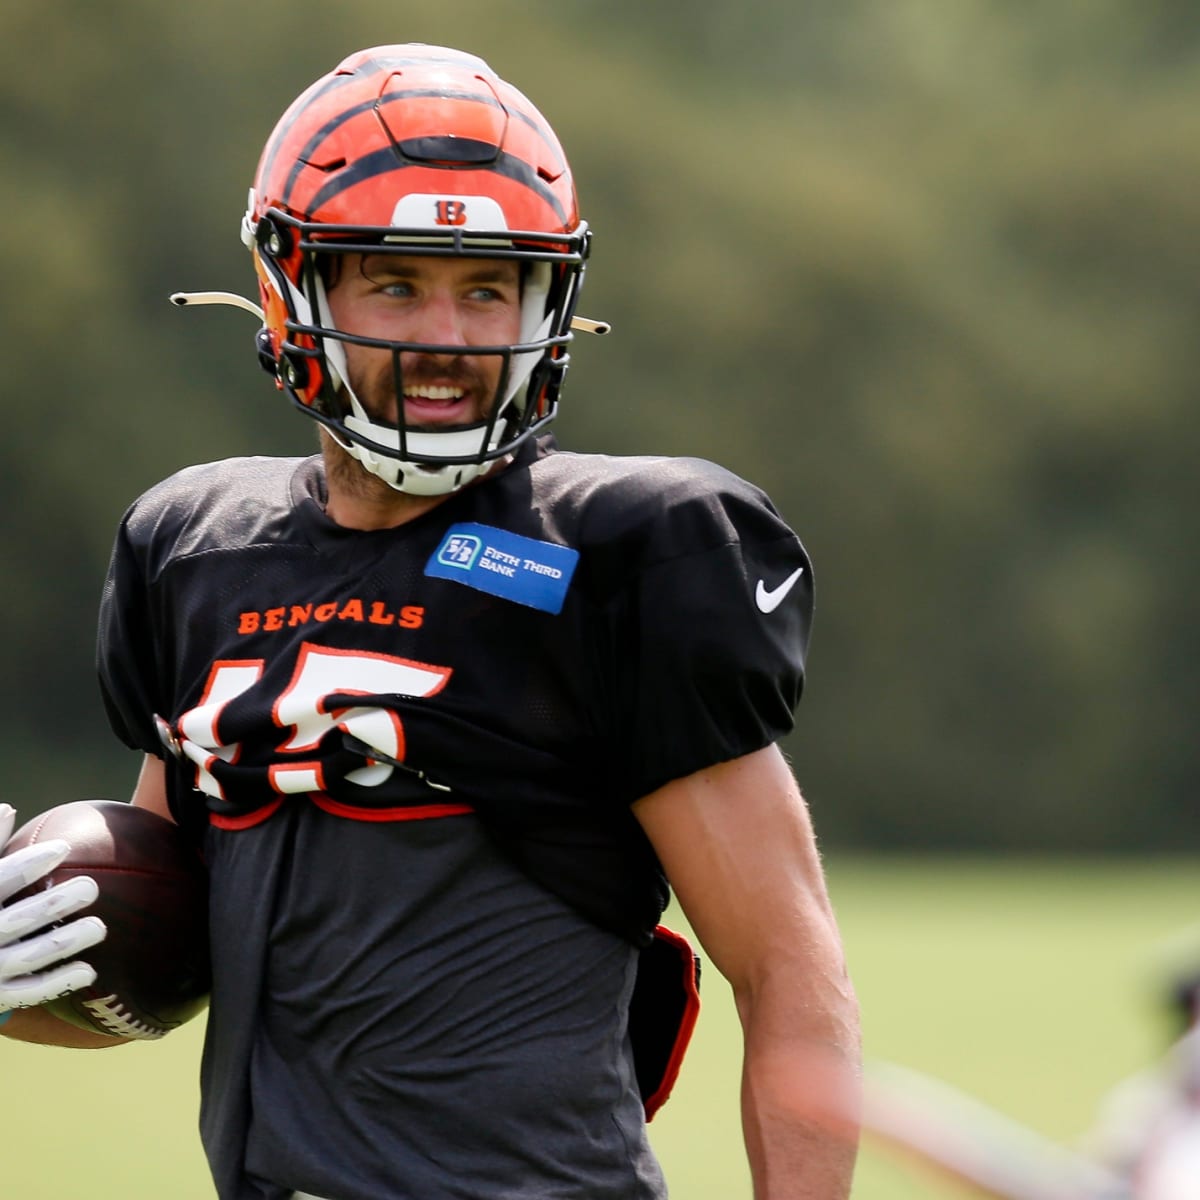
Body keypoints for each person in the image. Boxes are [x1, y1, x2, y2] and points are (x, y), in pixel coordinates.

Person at [0, 44, 860, 1200]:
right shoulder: (195, 552)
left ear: (545, 305)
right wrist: (31, 953)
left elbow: (787, 965)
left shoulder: (615, 554)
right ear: (295, 292)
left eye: (486, 290)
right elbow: (161, 945)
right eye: (397, 286)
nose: (447, 338)